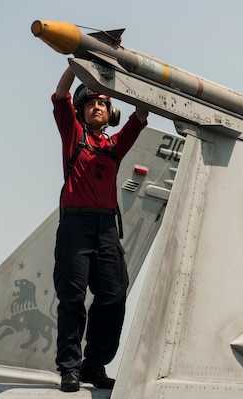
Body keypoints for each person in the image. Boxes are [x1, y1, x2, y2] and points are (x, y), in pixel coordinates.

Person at [51, 66, 148, 392]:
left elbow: (142, 112)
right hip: (76, 226)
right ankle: (69, 368)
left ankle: (94, 366)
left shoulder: (115, 145)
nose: (96, 106)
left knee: (114, 296)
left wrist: (126, 75)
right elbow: (61, 95)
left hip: (106, 228)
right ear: (81, 110)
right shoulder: (73, 135)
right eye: (91, 102)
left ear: (111, 112)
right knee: (72, 299)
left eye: (103, 103)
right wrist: (77, 63)